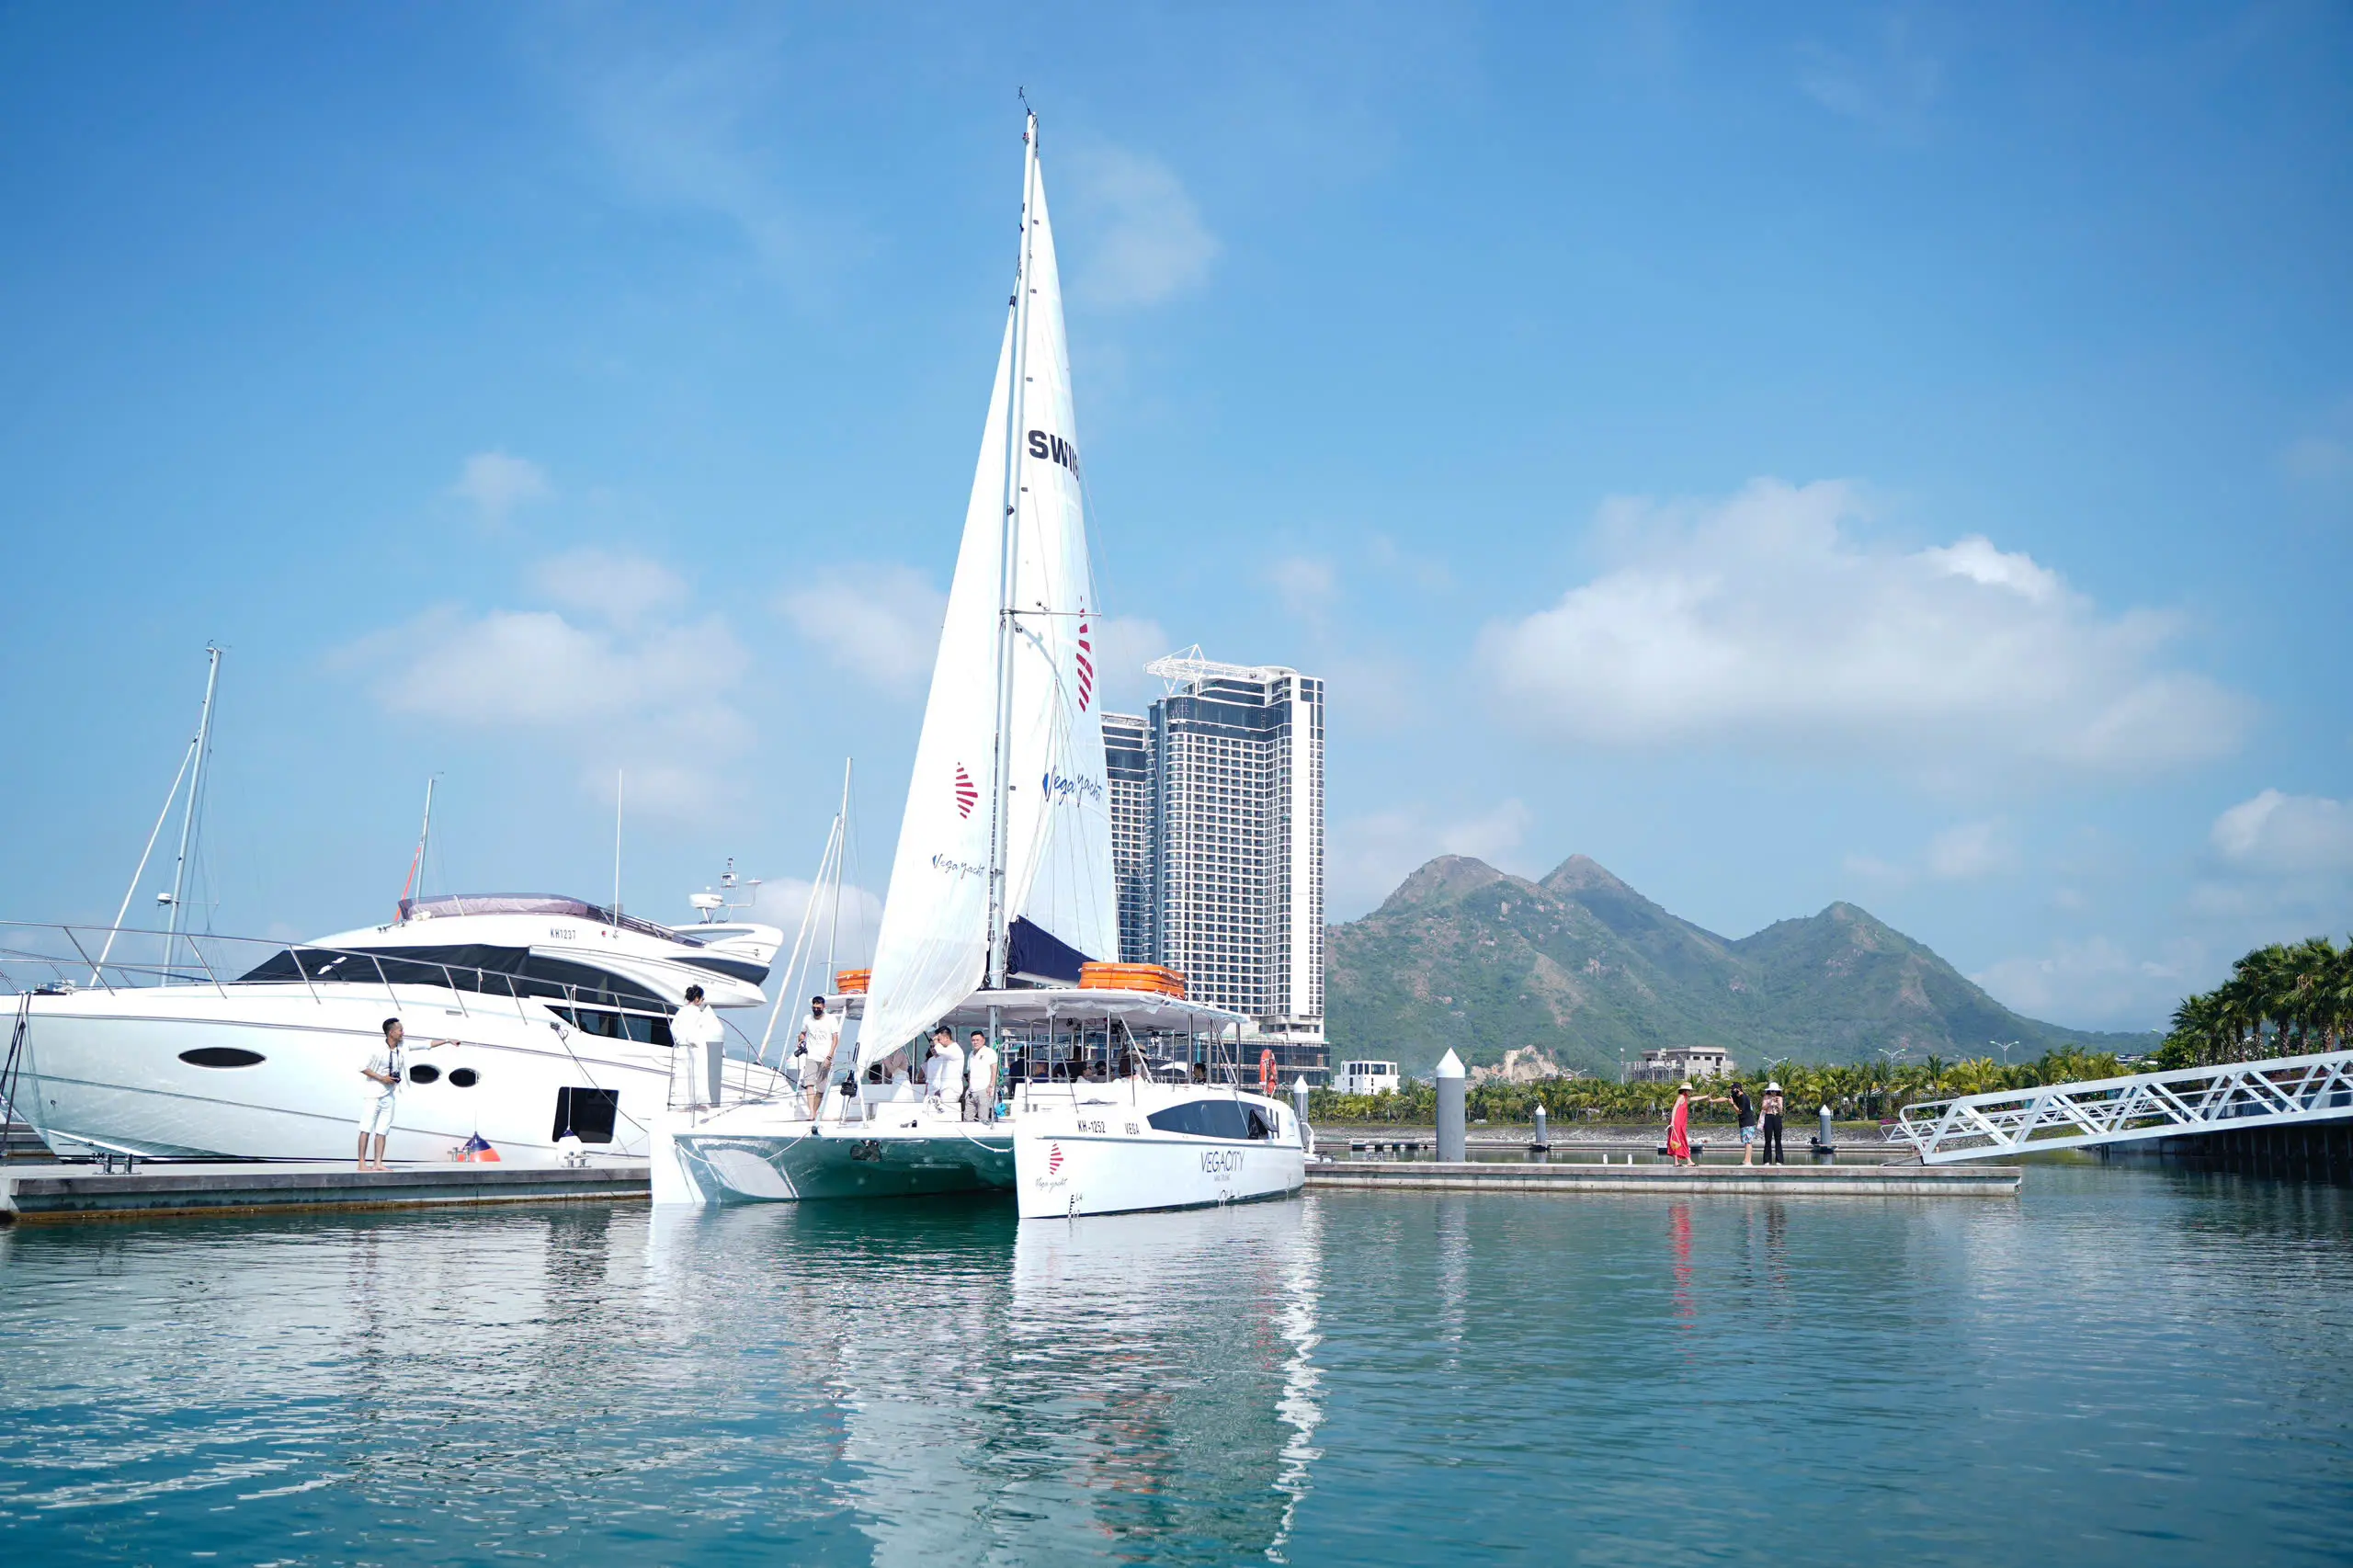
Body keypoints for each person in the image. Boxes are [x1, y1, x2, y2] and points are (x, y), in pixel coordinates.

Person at [358, 1017, 449, 1171]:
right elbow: (362, 1067)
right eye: (400, 1030)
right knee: (366, 1128)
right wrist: (382, 1078)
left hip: (389, 1094)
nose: (403, 1033)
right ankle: (362, 1163)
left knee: (383, 1129)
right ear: (391, 1032)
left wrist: (447, 1041)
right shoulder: (376, 1048)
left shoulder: (403, 1046)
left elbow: (426, 1044)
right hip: (373, 1093)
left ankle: (378, 1163)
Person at [672, 984, 724, 1109]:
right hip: (696, 1048)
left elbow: (673, 1028)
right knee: (698, 1075)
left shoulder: (681, 1011)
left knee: (683, 1075)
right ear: (697, 999)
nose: (703, 1001)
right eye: (702, 999)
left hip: (683, 1048)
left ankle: (683, 1103)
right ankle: (697, 1102)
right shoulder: (698, 1013)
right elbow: (705, 1030)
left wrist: (681, 1040)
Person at [793, 994, 842, 1119]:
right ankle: (812, 1113)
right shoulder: (807, 1019)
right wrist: (800, 1040)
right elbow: (803, 1033)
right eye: (814, 1008)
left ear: (823, 1007)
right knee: (809, 1084)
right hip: (811, 1056)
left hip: (825, 1057)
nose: (816, 1010)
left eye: (818, 1008)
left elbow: (835, 1040)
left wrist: (829, 1057)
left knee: (820, 1088)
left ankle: (815, 1110)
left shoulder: (831, 1020)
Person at [1703, 1082, 1761, 1166]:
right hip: (1743, 1122)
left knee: (1748, 1142)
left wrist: (1732, 1104)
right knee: (1746, 1142)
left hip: (1748, 1122)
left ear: (1738, 1089)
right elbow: (1725, 1098)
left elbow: (1739, 1111)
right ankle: (1746, 1160)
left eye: (1733, 1089)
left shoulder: (1743, 1098)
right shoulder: (1736, 1096)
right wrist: (1713, 1101)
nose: (1731, 1090)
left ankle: (1748, 1161)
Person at [926, 1025, 965, 1116]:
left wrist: (935, 1041)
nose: (938, 1042)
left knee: (948, 1113)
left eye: (939, 1039)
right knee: (945, 1113)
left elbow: (939, 1051)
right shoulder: (948, 1050)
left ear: (947, 1038)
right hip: (946, 1087)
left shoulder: (954, 1049)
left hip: (951, 1088)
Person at [965, 1028, 998, 1124]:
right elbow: (969, 1071)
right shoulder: (971, 1054)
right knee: (967, 1118)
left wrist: (991, 1085)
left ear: (983, 1040)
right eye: (973, 1040)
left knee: (983, 1118)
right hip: (971, 1090)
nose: (975, 1042)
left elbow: (994, 1070)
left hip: (984, 1090)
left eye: (977, 1040)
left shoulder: (989, 1052)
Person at [1666, 1082, 1696, 1167]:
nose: (1690, 1092)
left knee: (1681, 1140)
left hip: (1681, 1122)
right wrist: (1672, 1122)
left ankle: (1687, 1161)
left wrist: (1706, 1097)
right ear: (1685, 1090)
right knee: (1676, 1140)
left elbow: (1695, 1098)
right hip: (1676, 1122)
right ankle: (1678, 1162)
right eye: (1689, 1090)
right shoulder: (1681, 1097)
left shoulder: (1685, 1098)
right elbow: (1674, 1108)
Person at [1760, 1080, 1787, 1165]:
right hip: (1768, 1117)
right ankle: (1767, 1160)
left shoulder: (1780, 1098)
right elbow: (1763, 1107)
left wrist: (1778, 1103)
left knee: (1778, 1139)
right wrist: (1770, 1103)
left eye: (1775, 1091)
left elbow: (1781, 1110)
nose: (1774, 1093)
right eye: (1772, 1091)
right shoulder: (1766, 1097)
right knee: (1768, 1139)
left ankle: (1779, 1160)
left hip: (1776, 1117)